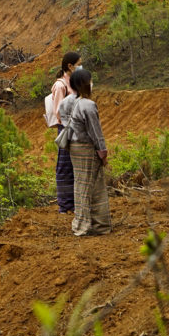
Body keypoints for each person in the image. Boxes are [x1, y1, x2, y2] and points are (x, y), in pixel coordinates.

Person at [67, 67, 111, 236]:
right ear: (85, 84)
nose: (92, 84)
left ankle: (100, 225)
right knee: (87, 187)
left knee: (86, 185)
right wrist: (103, 153)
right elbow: (95, 132)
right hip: (86, 149)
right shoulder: (88, 105)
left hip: (75, 148)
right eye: (90, 81)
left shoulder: (74, 102)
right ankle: (83, 226)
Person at [49, 51, 82, 213]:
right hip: (67, 129)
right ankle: (65, 205)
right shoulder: (60, 86)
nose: (80, 67)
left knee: (75, 165)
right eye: (78, 64)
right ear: (70, 66)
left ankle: (74, 203)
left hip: (76, 128)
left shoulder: (73, 83)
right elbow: (59, 112)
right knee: (64, 166)